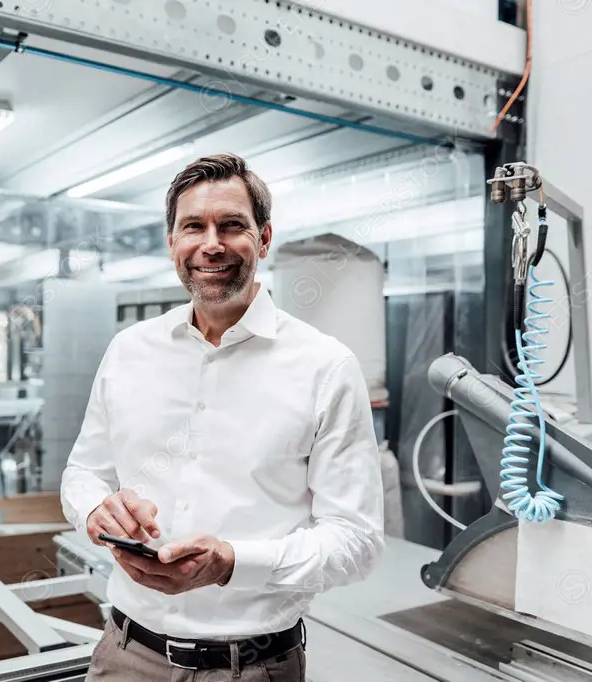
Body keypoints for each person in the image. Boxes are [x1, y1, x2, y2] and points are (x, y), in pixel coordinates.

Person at [60, 153, 386, 681]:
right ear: (172, 243)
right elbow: (82, 472)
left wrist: (233, 562)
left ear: (263, 239)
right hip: (125, 655)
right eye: (193, 226)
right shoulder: (128, 351)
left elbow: (357, 541)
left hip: (251, 667)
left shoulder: (325, 367)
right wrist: (97, 509)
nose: (211, 243)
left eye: (232, 225)